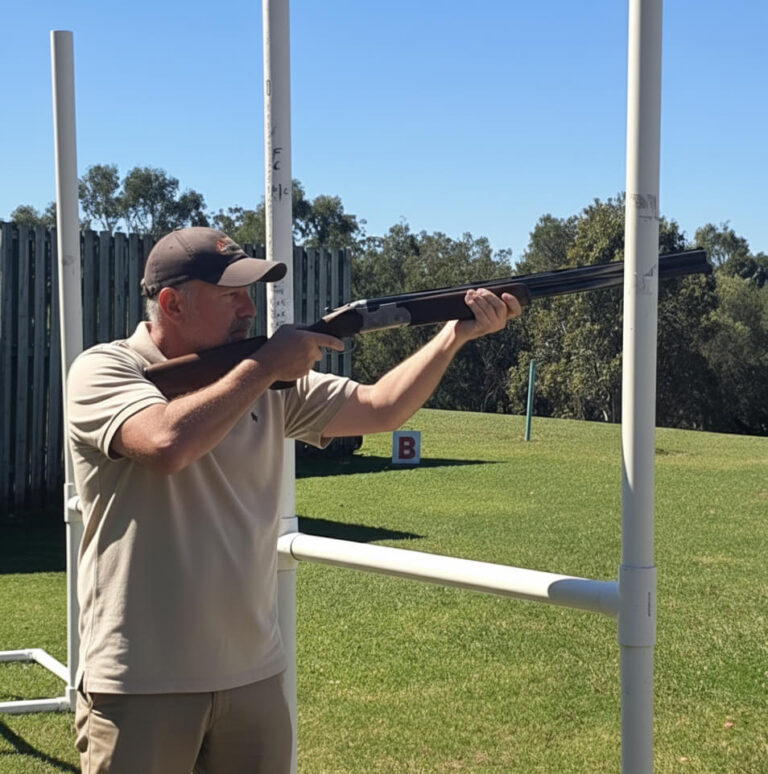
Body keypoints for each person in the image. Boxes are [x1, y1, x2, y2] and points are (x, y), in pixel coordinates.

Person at [67, 226, 522, 774]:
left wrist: (453, 336)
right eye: (230, 294)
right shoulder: (105, 369)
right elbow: (166, 444)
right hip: (141, 681)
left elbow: (380, 408)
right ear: (172, 303)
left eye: (250, 292)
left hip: (254, 675)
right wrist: (263, 369)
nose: (249, 309)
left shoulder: (270, 382)